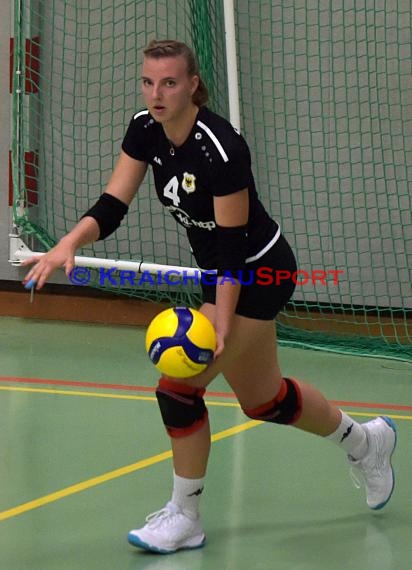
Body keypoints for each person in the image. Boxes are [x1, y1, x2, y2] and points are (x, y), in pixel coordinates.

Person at [22, 39, 397, 555]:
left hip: (259, 271)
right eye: (149, 82)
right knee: (265, 401)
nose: (157, 93)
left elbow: (230, 247)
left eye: (170, 82)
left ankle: (185, 516)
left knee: (177, 388)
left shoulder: (221, 149)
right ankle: (366, 442)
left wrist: (219, 324)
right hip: (219, 273)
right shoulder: (145, 129)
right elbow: (113, 203)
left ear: (193, 85)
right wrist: (69, 242)